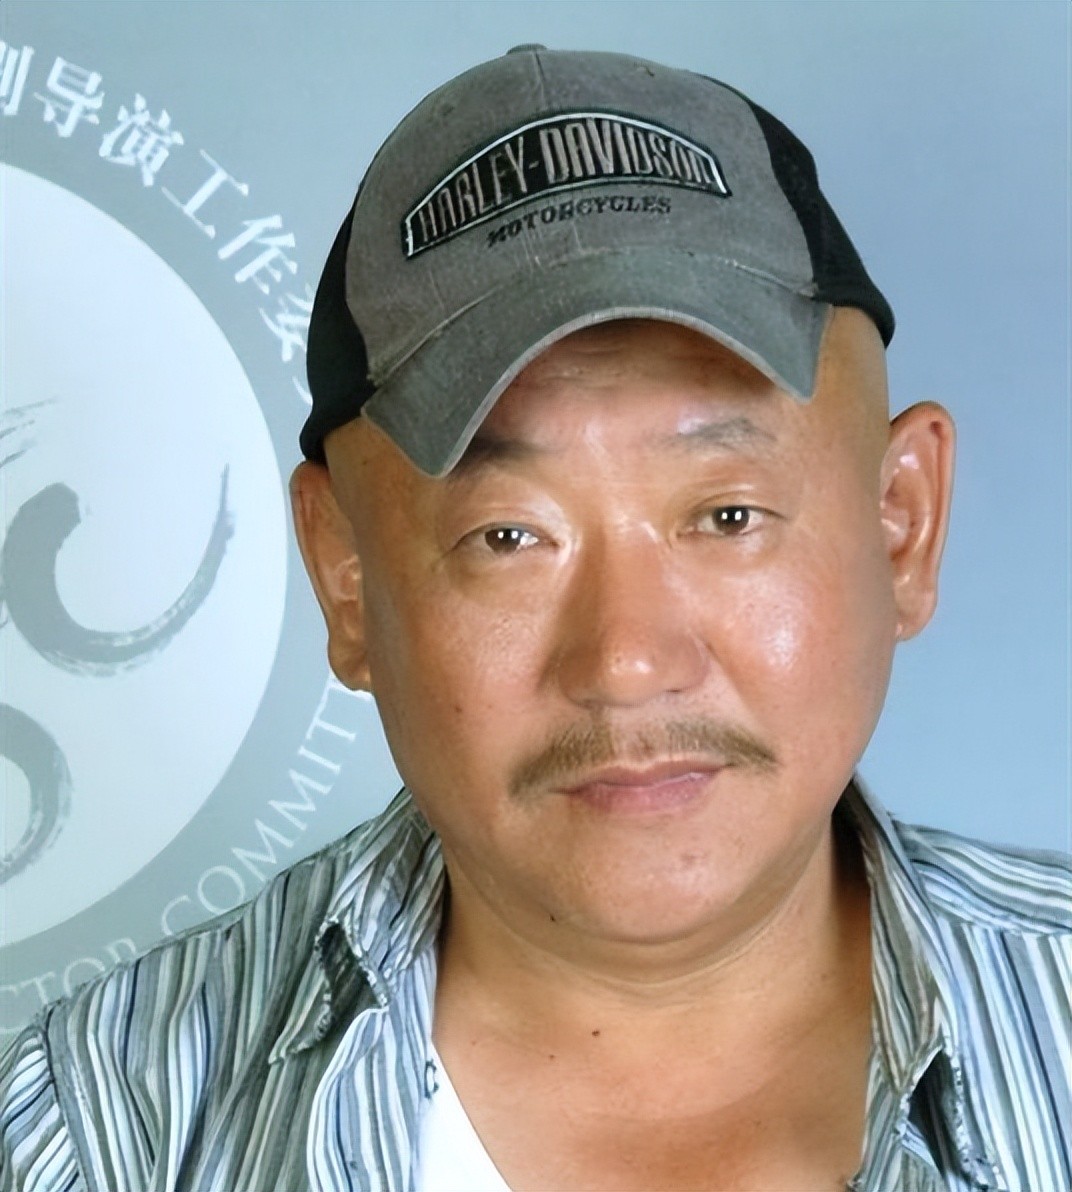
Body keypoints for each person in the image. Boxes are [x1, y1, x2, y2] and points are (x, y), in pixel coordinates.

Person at [1, 45, 1068, 1192]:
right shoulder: (93, 1134)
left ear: (900, 523)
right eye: (508, 536)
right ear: (346, 578)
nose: (628, 659)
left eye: (726, 515)